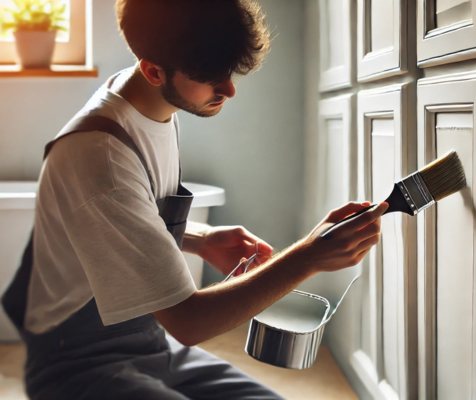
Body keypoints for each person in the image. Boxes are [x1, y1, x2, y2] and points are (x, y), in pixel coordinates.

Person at [2, 1, 388, 399]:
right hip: (77, 365)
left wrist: (201, 239)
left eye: (230, 72)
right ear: (153, 70)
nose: (229, 90)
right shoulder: (100, 155)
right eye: (209, 77)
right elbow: (188, 321)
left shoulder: (145, 102)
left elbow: (118, 223)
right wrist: (309, 256)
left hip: (149, 345)